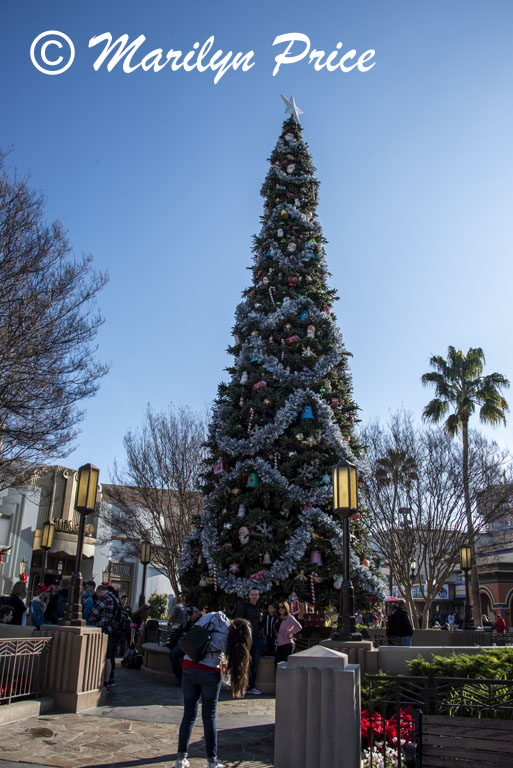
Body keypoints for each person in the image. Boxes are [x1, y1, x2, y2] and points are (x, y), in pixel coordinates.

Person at [174, 611, 252, 768]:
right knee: (209, 717)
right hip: (210, 673)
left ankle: (180, 759)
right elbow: (228, 655)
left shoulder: (210, 616)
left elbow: (194, 631)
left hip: (189, 668)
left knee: (188, 714)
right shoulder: (230, 636)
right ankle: (212, 761)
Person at [88, 584, 121, 690]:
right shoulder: (115, 599)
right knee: (109, 657)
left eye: (97, 594)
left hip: (105, 629)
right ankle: (108, 681)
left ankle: (99, 681)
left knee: (103, 656)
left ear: (100, 592)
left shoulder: (104, 598)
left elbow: (93, 613)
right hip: (114, 630)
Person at [235, 587, 263, 694]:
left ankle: (251, 686)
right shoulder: (243, 607)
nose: (254, 596)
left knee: (254, 663)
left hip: (256, 639)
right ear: (249, 595)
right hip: (246, 639)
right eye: (252, 594)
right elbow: (238, 621)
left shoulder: (257, 608)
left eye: (256, 594)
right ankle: (242, 685)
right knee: (245, 662)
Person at [169, 606, 202, 685]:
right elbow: (183, 629)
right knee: (173, 655)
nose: (190, 616)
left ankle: (184, 678)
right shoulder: (188, 622)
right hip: (184, 644)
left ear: (197, 614)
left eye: (191, 614)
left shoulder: (201, 622)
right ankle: (179, 677)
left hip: (193, 646)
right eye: (189, 614)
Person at [275, 600, 302, 666]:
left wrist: (289, 633)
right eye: (279, 607)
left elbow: (299, 627)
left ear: (286, 608)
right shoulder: (278, 619)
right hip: (279, 645)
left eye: (283, 607)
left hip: (287, 645)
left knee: (286, 666)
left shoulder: (290, 618)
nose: (281, 609)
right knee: (277, 667)